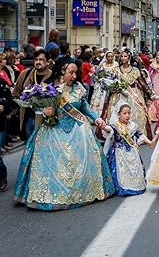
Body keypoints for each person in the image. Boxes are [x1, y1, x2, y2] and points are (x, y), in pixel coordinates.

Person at [14, 61, 115, 210]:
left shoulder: (79, 89)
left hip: (77, 130)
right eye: (71, 72)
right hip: (54, 130)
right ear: (62, 72)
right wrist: (45, 111)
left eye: (75, 73)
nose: (74, 76)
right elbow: (38, 107)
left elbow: (85, 108)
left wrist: (98, 119)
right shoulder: (51, 89)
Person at [103, 103, 151, 196]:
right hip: (119, 152)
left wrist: (149, 142)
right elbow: (109, 130)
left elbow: (139, 134)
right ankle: (121, 187)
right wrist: (104, 127)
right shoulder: (115, 125)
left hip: (132, 152)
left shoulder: (133, 125)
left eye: (129, 113)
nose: (127, 115)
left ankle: (136, 185)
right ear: (119, 114)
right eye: (124, 113)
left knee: (135, 170)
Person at [11, 50, 53, 141]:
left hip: (47, 120)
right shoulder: (25, 73)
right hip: (29, 118)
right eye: (36, 59)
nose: (38, 62)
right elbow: (15, 94)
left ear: (47, 62)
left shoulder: (53, 76)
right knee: (30, 146)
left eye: (41, 59)